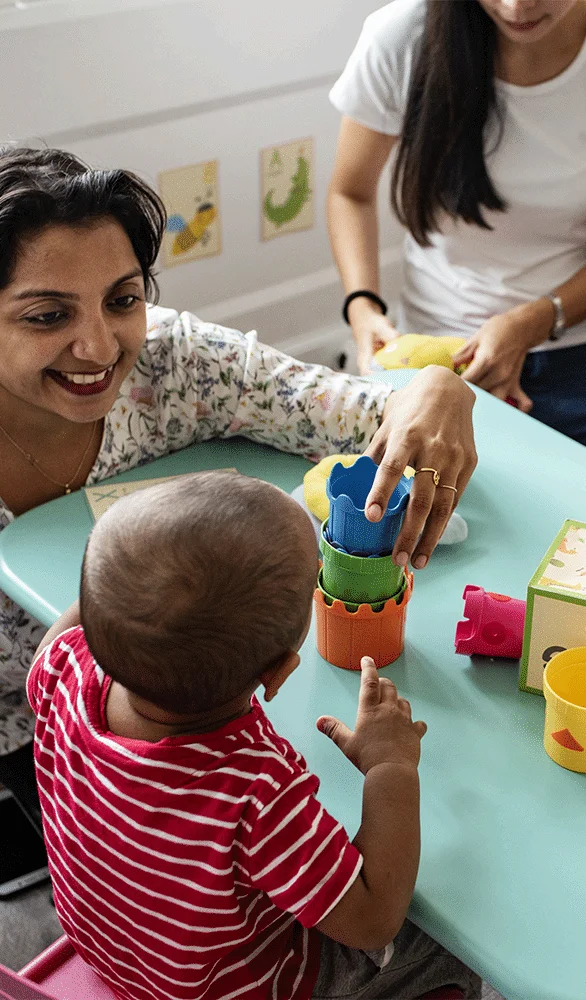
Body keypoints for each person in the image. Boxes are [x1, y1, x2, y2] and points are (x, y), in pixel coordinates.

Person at [0, 146, 476, 845]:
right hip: (35, 740)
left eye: (123, 300)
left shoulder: (180, 367)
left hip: (204, 716)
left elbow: (368, 414)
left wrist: (439, 388)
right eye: (46, 316)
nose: (99, 346)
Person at [28, 472, 481, 999]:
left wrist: (125, 582)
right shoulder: (253, 790)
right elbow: (374, 916)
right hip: (235, 988)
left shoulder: (65, 667)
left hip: (126, 962)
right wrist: (390, 768)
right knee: (443, 944)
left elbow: (75, 626)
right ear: (279, 673)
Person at [327, 0, 586, 463]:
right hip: (438, 352)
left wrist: (531, 322)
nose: (517, 6)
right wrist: (362, 306)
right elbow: (350, 193)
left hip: (579, 350)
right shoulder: (400, 37)